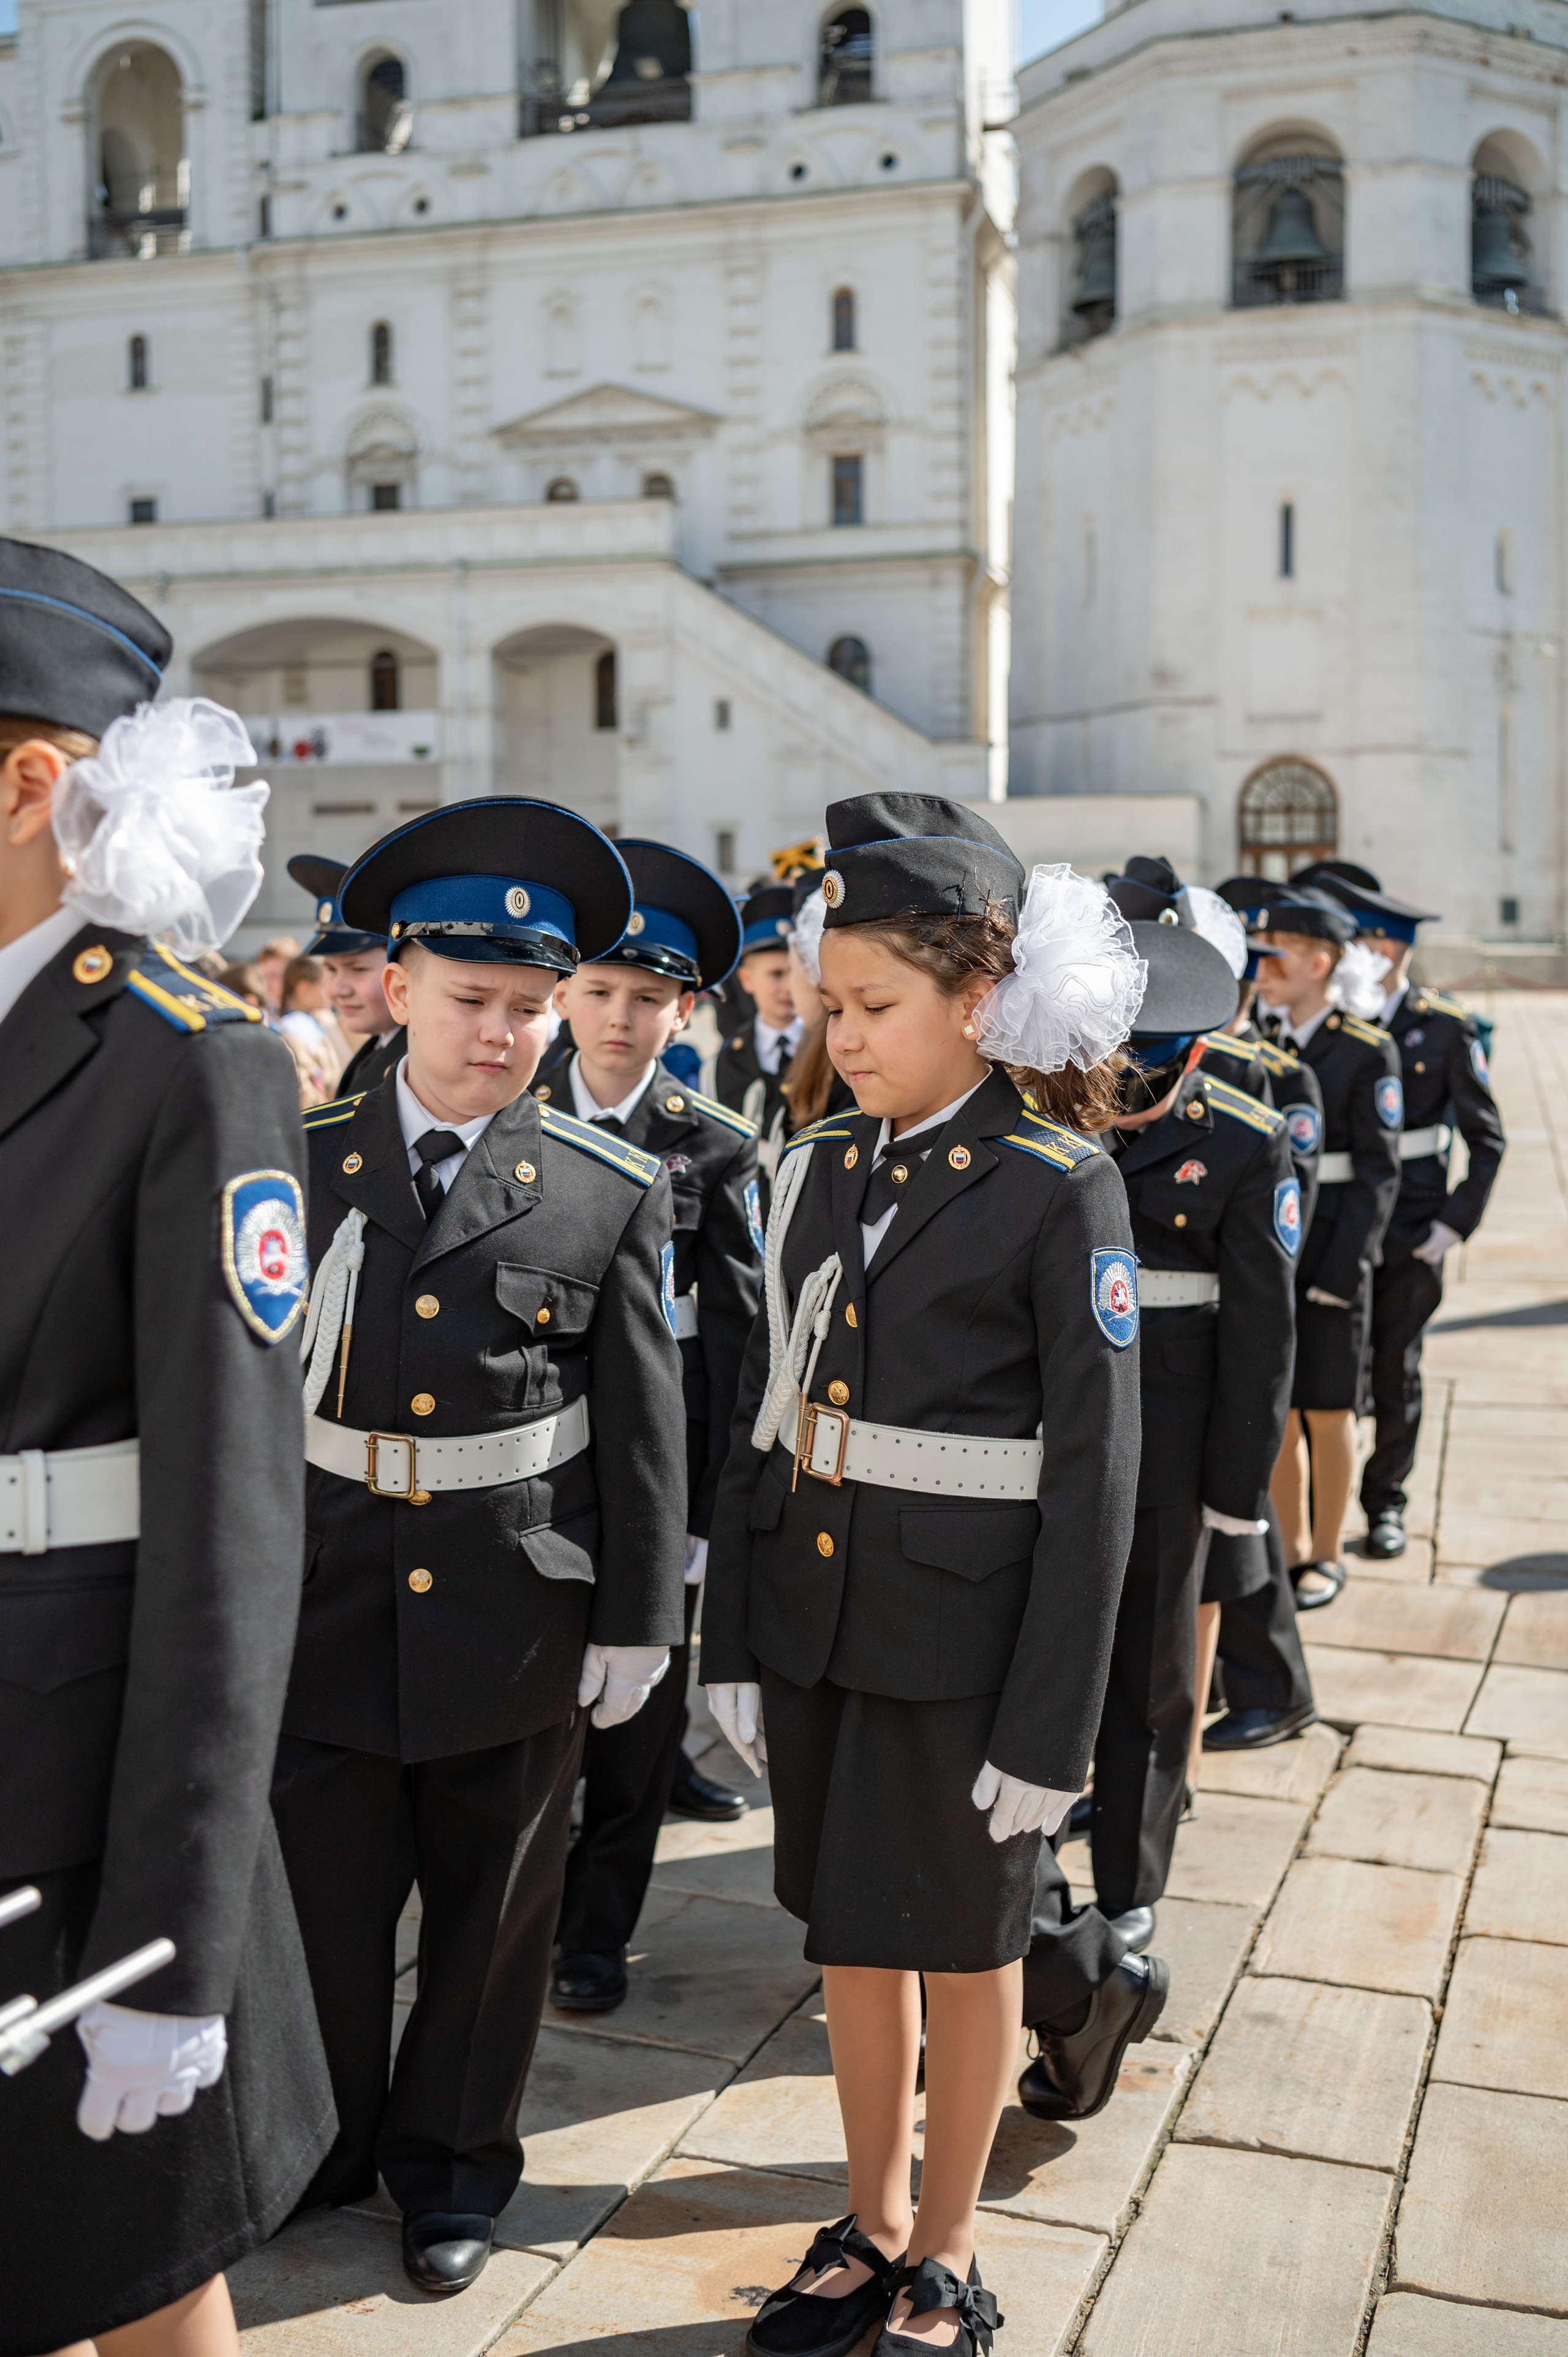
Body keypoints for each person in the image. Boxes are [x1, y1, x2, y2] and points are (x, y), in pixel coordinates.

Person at [703, 801, 1146, 2357]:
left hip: (971, 1645)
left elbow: (1096, 1479)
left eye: (874, 1005)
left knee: (967, 1948)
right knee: (846, 1931)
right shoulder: (815, 1160)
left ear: (975, 997)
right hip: (823, 1621)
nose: (845, 1033)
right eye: (829, 1003)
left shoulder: (1052, 1181)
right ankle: (869, 2214)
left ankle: (948, 2244)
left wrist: (1053, 1726)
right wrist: (735, 1638)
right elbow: (768, 1414)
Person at [272, 798, 688, 2297]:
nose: (503, 1033)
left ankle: (454, 2165)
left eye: (534, 1005)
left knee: (491, 1922)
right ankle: (315, 2139)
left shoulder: (600, 1182)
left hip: (516, 1614)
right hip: (321, 1597)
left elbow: (643, 1418)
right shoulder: (292, 1156)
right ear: (392, 983)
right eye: (472, 1000)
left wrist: (639, 1618)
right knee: (317, 1904)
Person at [0, 538, 334, 2357]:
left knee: (130, 2255)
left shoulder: (190, 1060)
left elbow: (233, 1534)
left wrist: (174, 1950)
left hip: (75, 1772)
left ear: (31, 784)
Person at [530, 841, 761, 2013]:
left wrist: (715, 1509)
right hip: (531, 1456)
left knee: (635, 1723)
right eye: (601, 990)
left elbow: (743, 1336)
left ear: (685, 1008)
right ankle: (518, 1911)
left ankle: (596, 1930)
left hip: (656, 1466)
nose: (621, 1019)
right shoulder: (513, 1112)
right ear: (563, 991)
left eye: (650, 998)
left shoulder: (716, 1144)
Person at [1065, 905, 1297, 1970]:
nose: (1125, 1096)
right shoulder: (1054, 1113)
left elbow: (1263, 1334)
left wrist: (1235, 1490)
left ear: (1193, 1054)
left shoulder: (1250, 1141)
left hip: (1169, 1442)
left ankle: (1130, 1882)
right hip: (1048, 1436)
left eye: (1145, 1074)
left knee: (1153, 1679)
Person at [1292, 862, 1506, 1561]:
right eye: (1370, 943)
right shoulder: (1338, 1021)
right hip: (1338, 1224)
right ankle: (1321, 1507)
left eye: (1389, 946)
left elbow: (1485, 1138)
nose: (1378, 956)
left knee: (1395, 1370)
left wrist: (1449, 1229)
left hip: (1411, 1229)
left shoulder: (1441, 1027)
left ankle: (1385, 1502)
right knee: (1334, 1378)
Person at [1251, 887, 1401, 1608]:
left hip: (1335, 1243)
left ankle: (1328, 1549)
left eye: (1278, 951)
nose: (1263, 966)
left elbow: (1378, 1172)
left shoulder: (1368, 1050)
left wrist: (1345, 1271)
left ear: (1319, 962)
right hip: (1278, 1245)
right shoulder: (1263, 1039)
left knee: (1329, 1406)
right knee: (1280, 1406)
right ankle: (1286, 1544)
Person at [287, 852, 405, 1094]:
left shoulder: (413, 1069)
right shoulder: (381, 1048)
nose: (337, 990)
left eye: (358, 969)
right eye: (330, 969)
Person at [714, 883, 802, 1156]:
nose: (789, 987)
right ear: (747, 980)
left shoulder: (834, 1053)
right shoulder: (721, 1066)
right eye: (776, 974)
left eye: (796, 972)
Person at [279, 953, 350, 1083]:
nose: (330, 991)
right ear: (304, 988)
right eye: (323, 985)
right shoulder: (296, 1024)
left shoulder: (316, 1019)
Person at [254, 934, 300, 1015]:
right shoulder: (258, 1009)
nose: (267, 982)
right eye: (263, 975)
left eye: (275, 976)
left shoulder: (302, 1016)